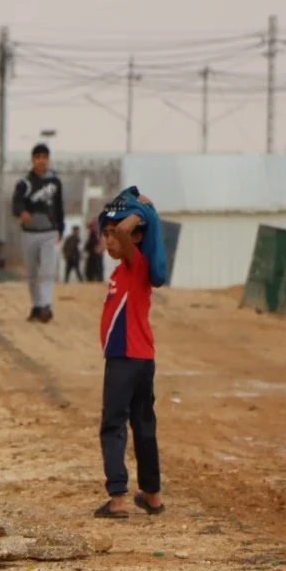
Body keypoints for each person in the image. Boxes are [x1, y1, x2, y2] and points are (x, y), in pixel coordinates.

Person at [93, 187, 170, 520]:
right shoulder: (122, 271)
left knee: (113, 425)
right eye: (106, 235)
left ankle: (118, 498)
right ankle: (152, 496)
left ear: (136, 237)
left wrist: (143, 211)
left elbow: (127, 230)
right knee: (144, 425)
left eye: (114, 234)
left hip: (124, 359)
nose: (110, 240)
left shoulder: (134, 264)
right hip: (143, 360)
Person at [11, 143, 65, 323]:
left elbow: (59, 207)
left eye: (45, 157)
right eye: (38, 157)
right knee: (33, 273)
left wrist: (60, 228)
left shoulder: (55, 182)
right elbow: (16, 204)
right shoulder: (25, 183)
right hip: (30, 233)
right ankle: (36, 305)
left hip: (49, 232)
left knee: (48, 271)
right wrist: (22, 213)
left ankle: (46, 306)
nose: (42, 161)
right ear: (33, 160)